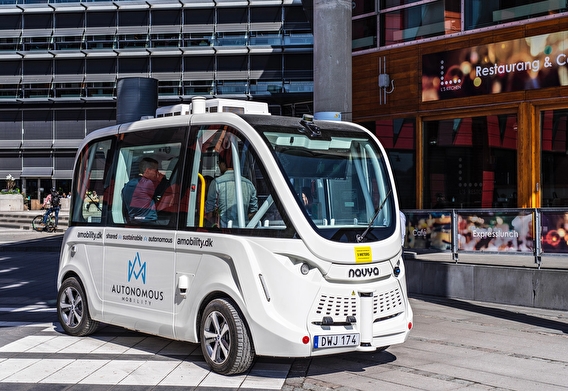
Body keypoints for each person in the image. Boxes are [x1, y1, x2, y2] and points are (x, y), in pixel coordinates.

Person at [205, 151, 258, 228]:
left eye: (218, 163)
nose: (218, 166)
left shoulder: (217, 182)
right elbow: (253, 212)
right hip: (245, 230)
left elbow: (209, 212)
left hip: (224, 230)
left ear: (223, 164)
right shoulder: (249, 184)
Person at [122, 157, 169, 223]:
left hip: (133, 221)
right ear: (147, 170)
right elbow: (167, 190)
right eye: (156, 170)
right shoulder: (148, 183)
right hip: (149, 221)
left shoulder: (129, 184)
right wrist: (162, 179)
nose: (157, 173)